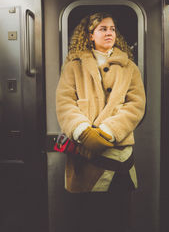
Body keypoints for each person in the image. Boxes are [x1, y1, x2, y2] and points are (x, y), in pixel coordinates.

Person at [56, 12, 146, 232]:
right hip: (85, 153)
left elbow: (135, 105)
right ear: (90, 35)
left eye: (112, 29)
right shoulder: (73, 66)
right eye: (103, 29)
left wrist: (107, 132)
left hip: (119, 154)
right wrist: (83, 131)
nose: (109, 33)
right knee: (87, 217)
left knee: (119, 216)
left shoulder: (129, 68)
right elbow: (65, 102)